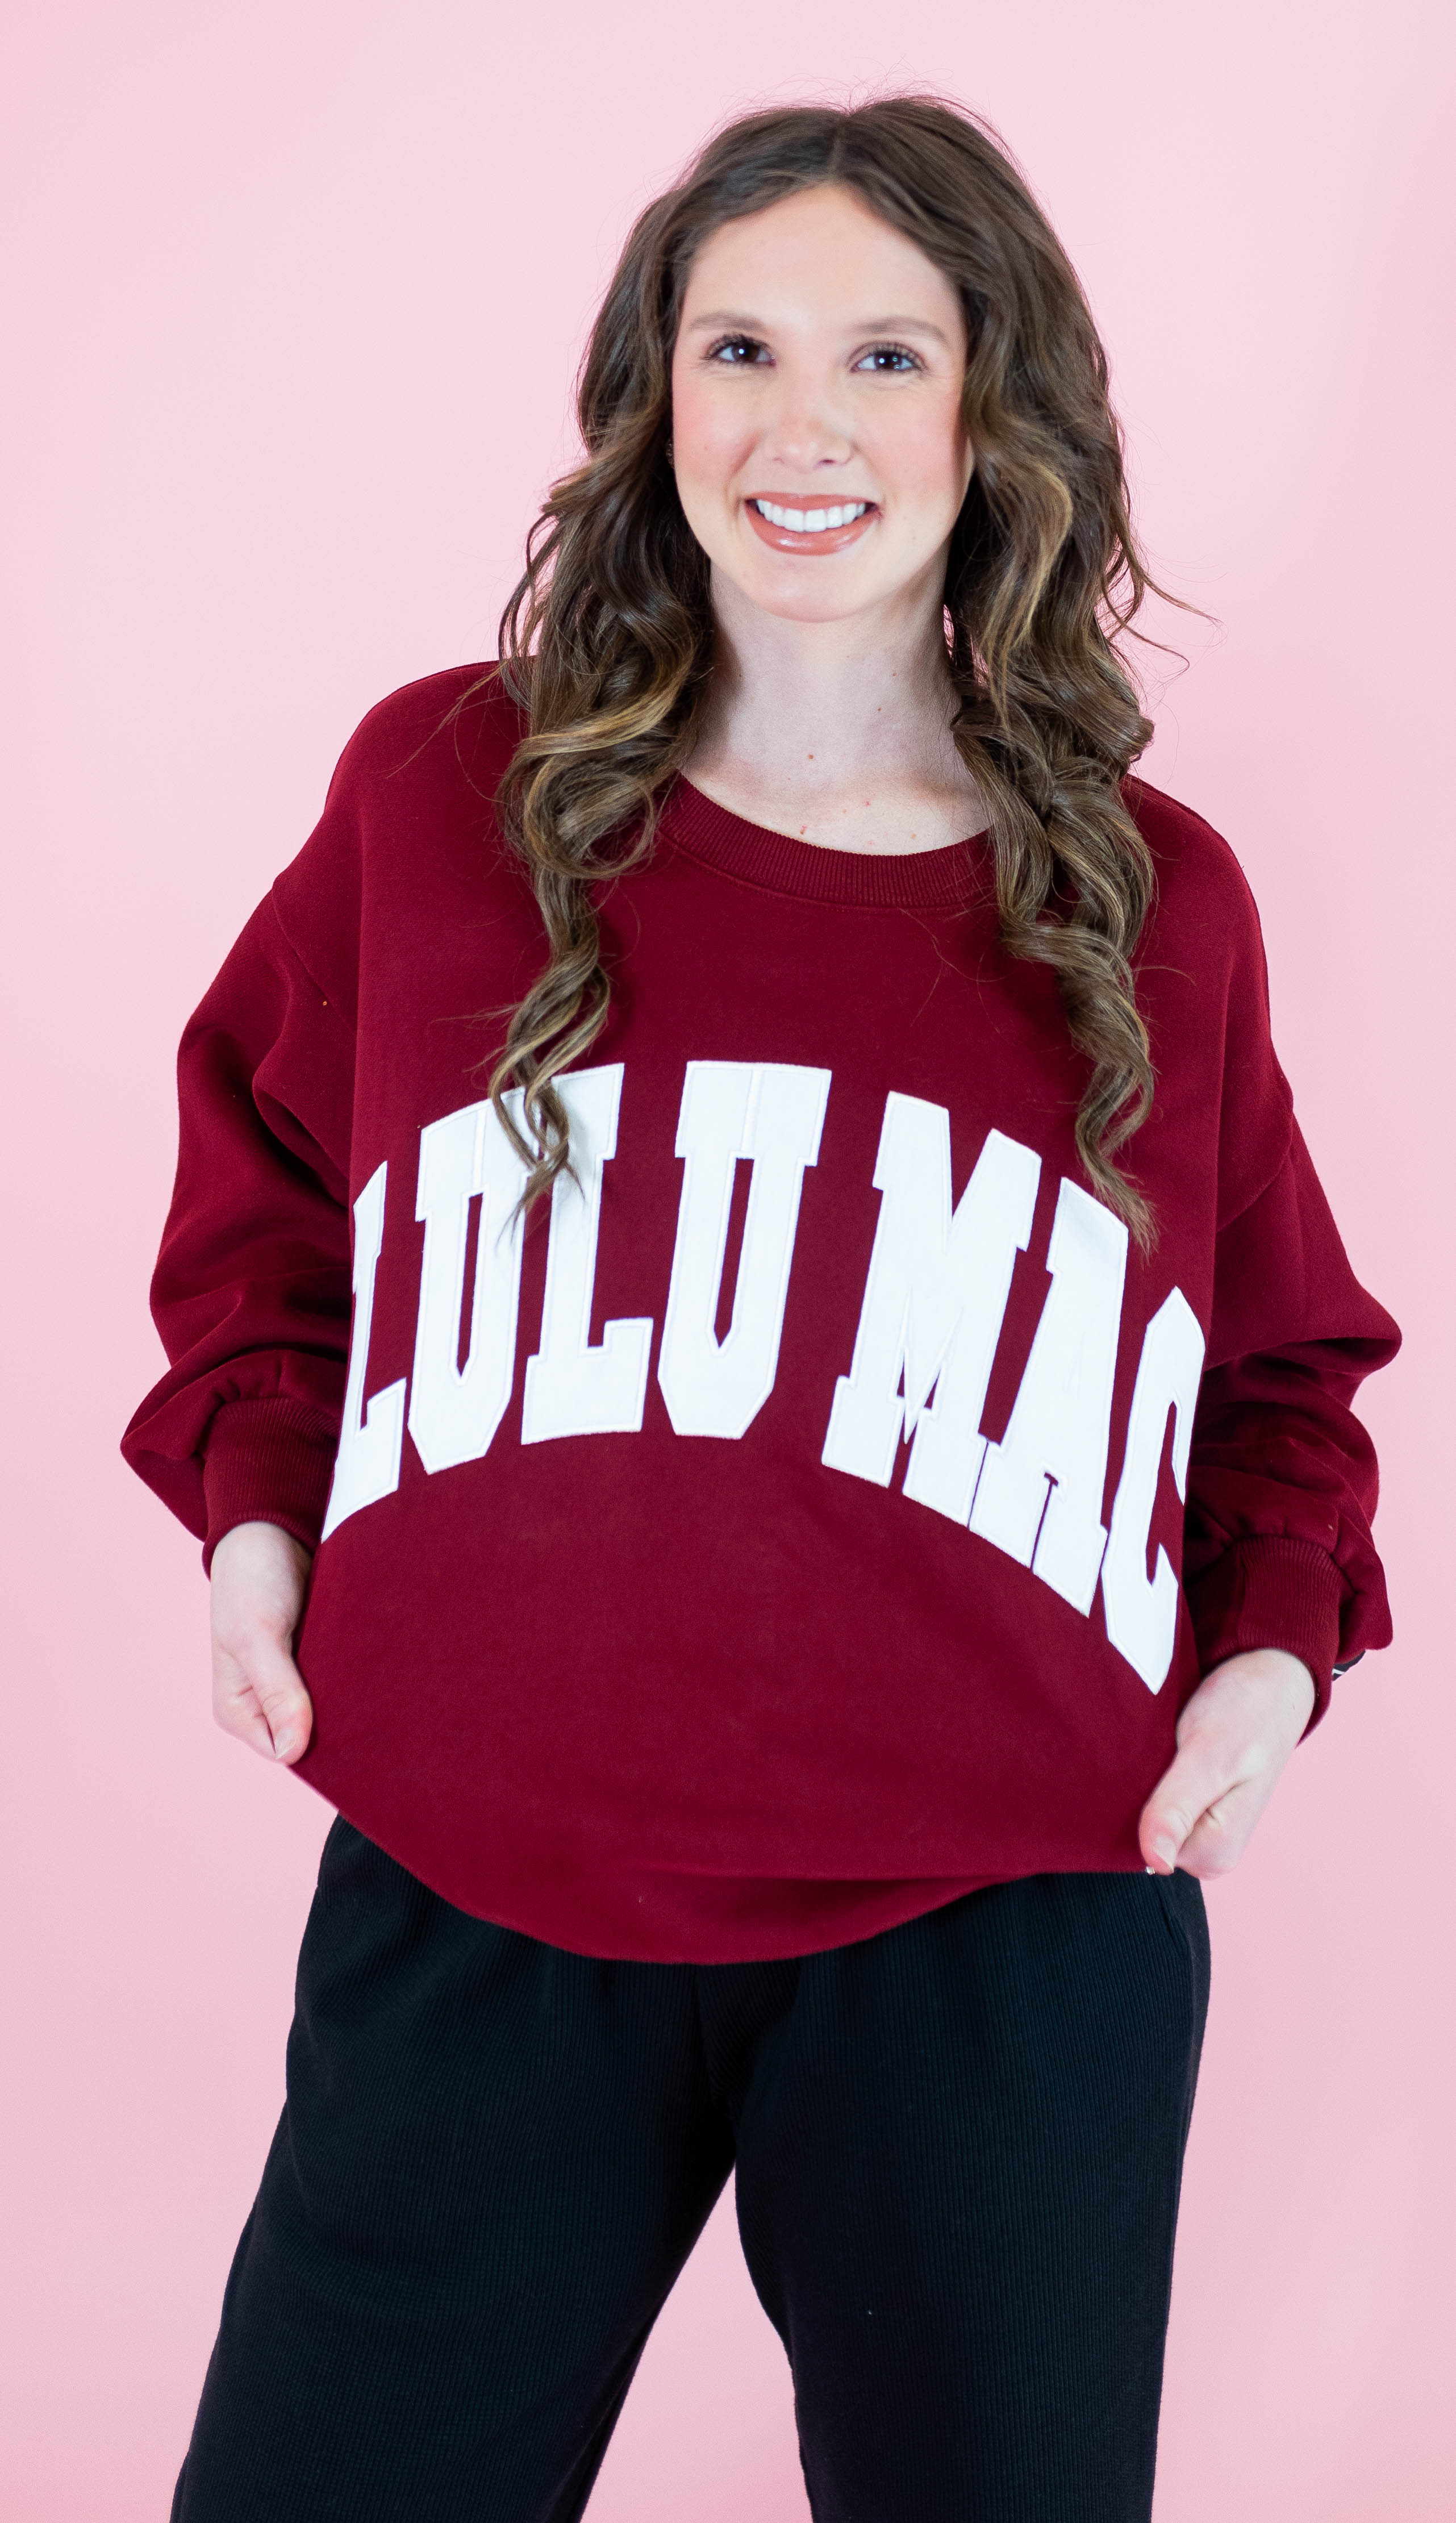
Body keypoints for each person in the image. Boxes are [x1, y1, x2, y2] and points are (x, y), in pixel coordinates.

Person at [123, 95, 1398, 2523]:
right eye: (740, 349)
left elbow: (1275, 1376)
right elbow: (263, 1198)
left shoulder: (1149, 905)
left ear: (995, 413)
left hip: (999, 1926)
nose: (802, 426)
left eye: (884, 356)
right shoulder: (445, 792)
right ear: (654, 396)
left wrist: (1261, 1661)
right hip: (480, 1874)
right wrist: (254, 1513)